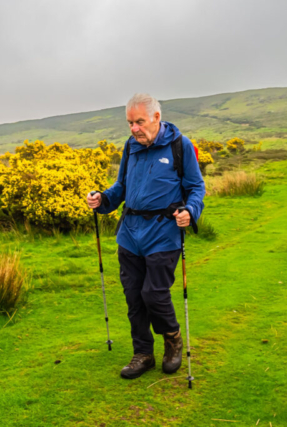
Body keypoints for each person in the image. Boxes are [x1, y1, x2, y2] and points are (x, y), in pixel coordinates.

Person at [86, 93, 205, 380]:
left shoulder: (180, 145)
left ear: (156, 118)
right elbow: (121, 187)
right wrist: (102, 199)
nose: (134, 128)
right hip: (130, 234)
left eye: (139, 122)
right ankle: (143, 354)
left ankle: (173, 339)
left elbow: (196, 188)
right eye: (130, 123)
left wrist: (190, 210)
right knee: (134, 297)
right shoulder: (131, 146)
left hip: (164, 233)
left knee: (154, 293)